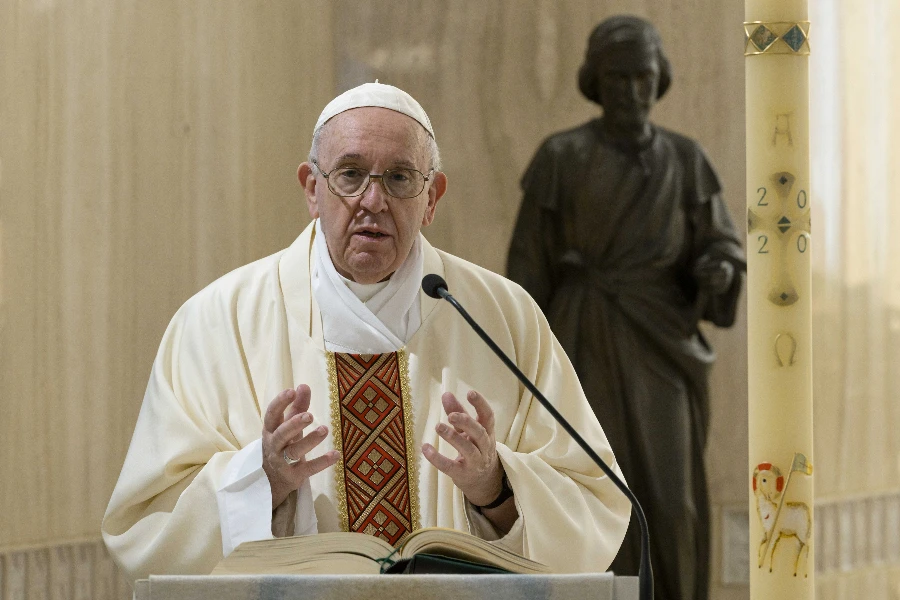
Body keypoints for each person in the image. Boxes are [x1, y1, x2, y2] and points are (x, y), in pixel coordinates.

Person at [102, 82, 631, 585]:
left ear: (432, 197)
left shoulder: (502, 317)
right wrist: (260, 479)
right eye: (350, 175)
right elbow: (147, 527)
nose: (372, 200)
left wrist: (495, 486)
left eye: (400, 178)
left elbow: (594, 504)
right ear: (312, 189)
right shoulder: (217, 321)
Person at [506, 16, 745, 600]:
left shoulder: (686, 160)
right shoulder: (561, 157)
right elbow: (526, 274)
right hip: (582, 339)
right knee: (593, 489)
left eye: (644, 77)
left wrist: (720, 268)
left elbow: (720, 243)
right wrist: (526, 364)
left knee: (672, 498)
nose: (632, 91)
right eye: (618, 78)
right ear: (596, 80)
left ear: (660, 79)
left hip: (662, 342)